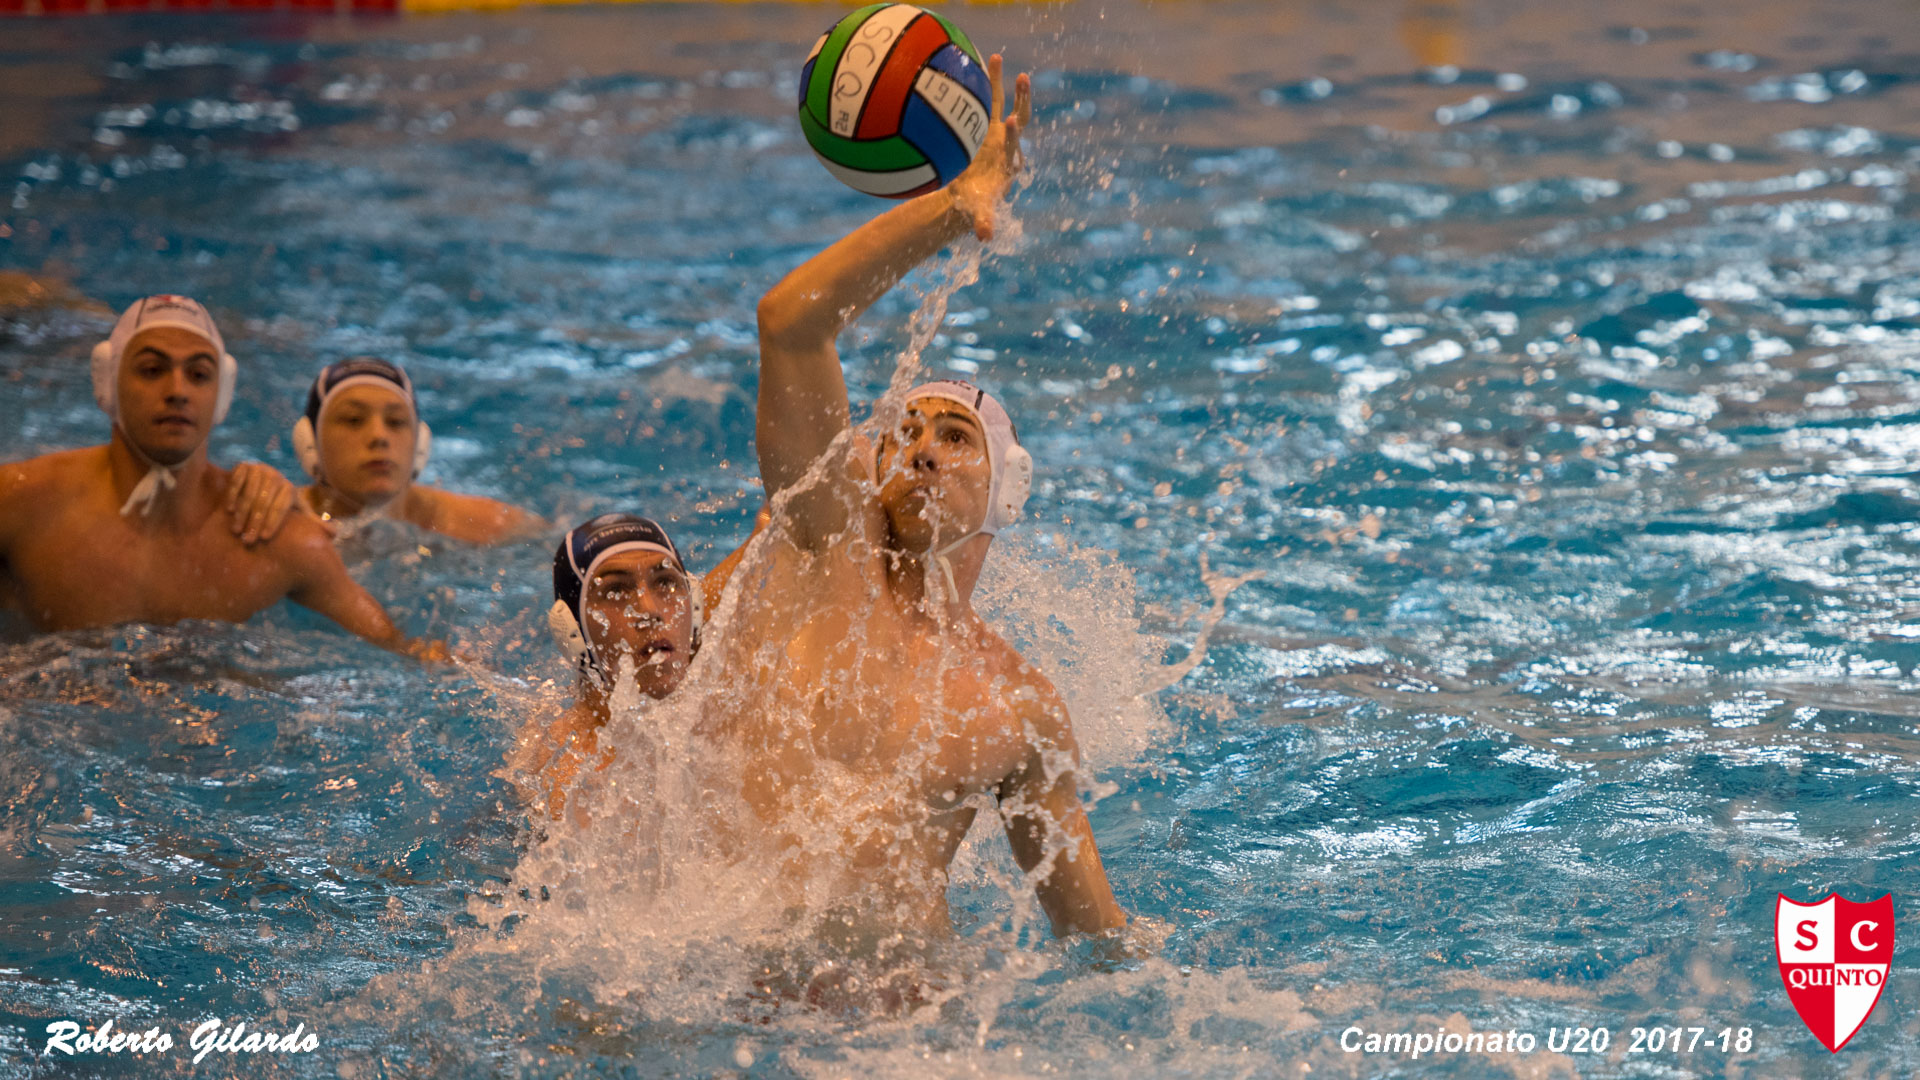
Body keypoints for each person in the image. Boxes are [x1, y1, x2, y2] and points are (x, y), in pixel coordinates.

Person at [714, 57, 1129, 956]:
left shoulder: (1018, 707)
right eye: (904, 433)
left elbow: (1097, 942)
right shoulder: (822, 548)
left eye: (955, 437)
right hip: (739, 994)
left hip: (910, 1011)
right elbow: (790, 321)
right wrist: (953, 208)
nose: (923, 452)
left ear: (1006, 491)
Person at [0, 294, 440, 659]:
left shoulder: (274, 537)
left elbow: (402, 652)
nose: (177, 391)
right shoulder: (22, 503)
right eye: (152, 370)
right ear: (108, 382)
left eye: (198, 374)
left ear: (222, 394)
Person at [509, 513, 703, 824]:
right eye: (616, 591)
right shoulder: (569, 777)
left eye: (666, 582)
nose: (651, 611)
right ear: (571, 629)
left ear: (696, 607)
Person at [293, 356, 542, 545]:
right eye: (354, 420)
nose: (379, 436)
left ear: (420, 443)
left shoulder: (482, 525)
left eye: (396, 422)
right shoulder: (279, 523)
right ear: (310, 442)